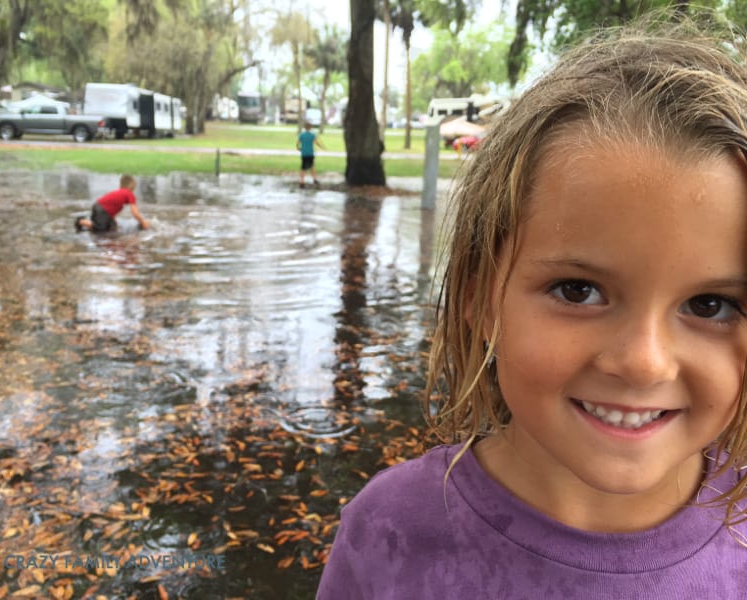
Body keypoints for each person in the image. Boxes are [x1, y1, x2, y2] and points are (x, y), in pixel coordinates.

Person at [317, 14, 747, 599]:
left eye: (711, 303)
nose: (645, 364)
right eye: (578, 290)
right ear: (477, 295)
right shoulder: (389, 534)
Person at [75, 174, 150, 232]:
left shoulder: (120, 193)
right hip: (101, 210)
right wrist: (143, 222)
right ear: (132, 187)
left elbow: (112, 206)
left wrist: (113, 221)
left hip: (99, 208)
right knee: (100, 229)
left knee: (111, 228)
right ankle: (81, 221)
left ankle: (91, 223)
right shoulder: (129, 194)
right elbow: (135, 213)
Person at [297, 121, 324, 188]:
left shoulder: (302, 135)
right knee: (312, 166)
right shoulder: (312, 135)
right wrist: (322, 147)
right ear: (311, 127)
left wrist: (299, 148)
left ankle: (302, 182)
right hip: (310, 153)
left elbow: (298, 143)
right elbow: (316, 142)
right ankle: (314, 179)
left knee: (303, 168)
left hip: (304, 153)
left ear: (304, 127)